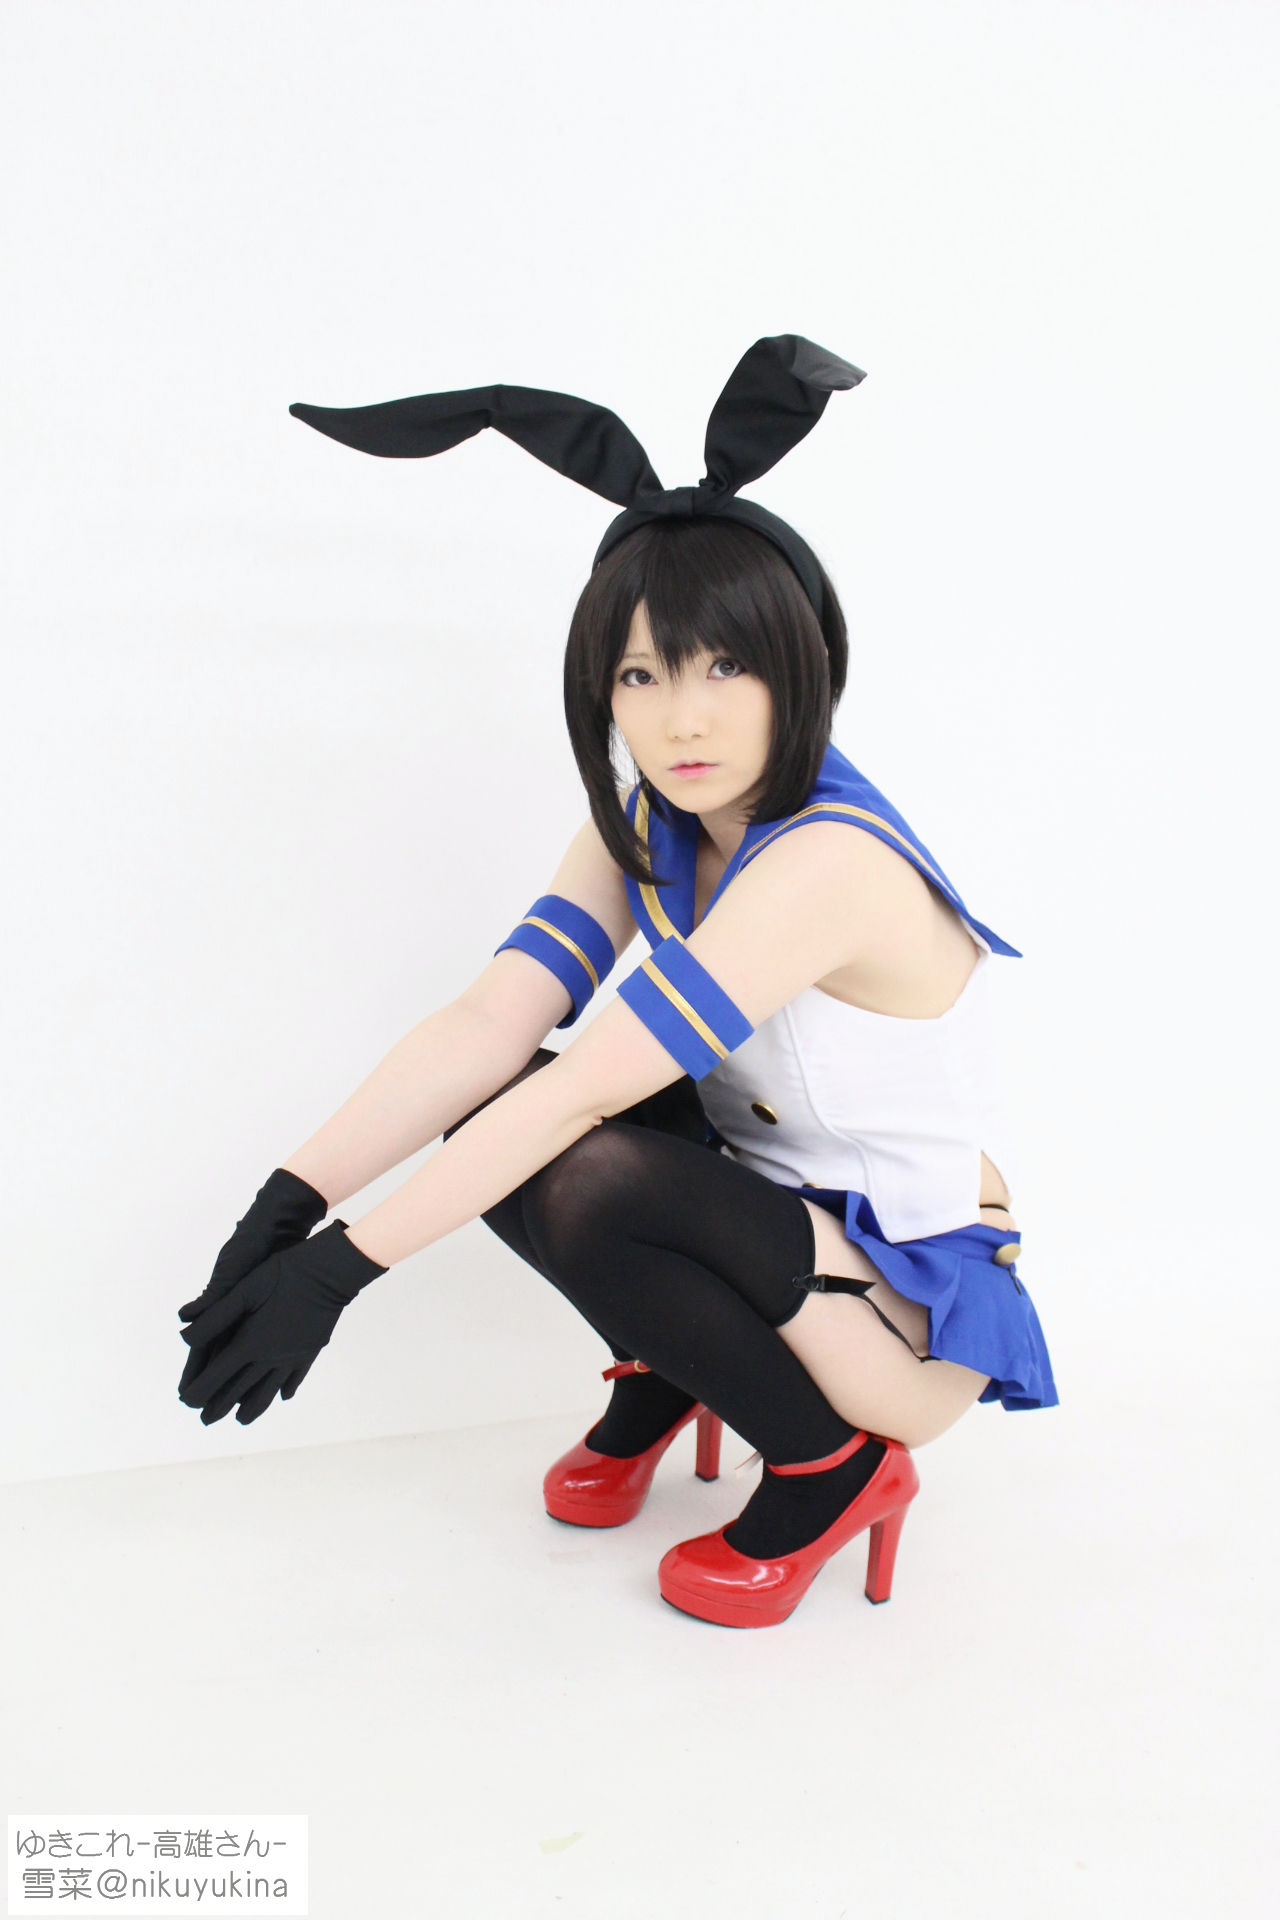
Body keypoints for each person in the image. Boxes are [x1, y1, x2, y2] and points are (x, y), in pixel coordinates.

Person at [177, 337, 1058, 1629]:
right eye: (643, 674)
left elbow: (586, 1090)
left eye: (726, 666)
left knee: (582, 1158)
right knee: (495, 1104)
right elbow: (492, 1021)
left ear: (804, 664)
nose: (682, 718)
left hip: (901, 1310)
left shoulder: (827, 862)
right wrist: (284, 1209)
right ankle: (675, 1366)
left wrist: (338, 1275)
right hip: (770, 1213)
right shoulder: (648, 821)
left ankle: (828, 1463)